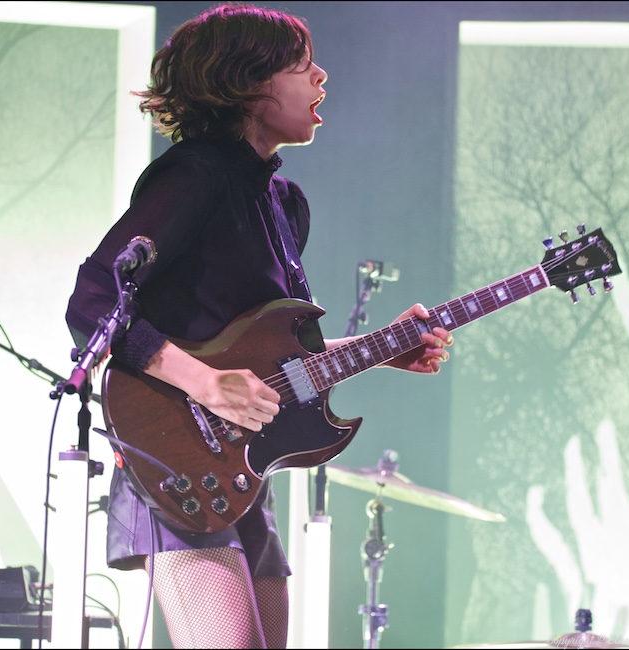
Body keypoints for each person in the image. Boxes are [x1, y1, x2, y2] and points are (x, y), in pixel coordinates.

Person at [64, 4, 454, 648]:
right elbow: (94, 299)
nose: (323, 77)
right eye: (304, 65)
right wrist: (204, 385)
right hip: (174, 461)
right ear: (248, 83)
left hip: (241, 472)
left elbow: (269, 358)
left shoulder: (282, 204)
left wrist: (381, 348)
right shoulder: (195, 175)